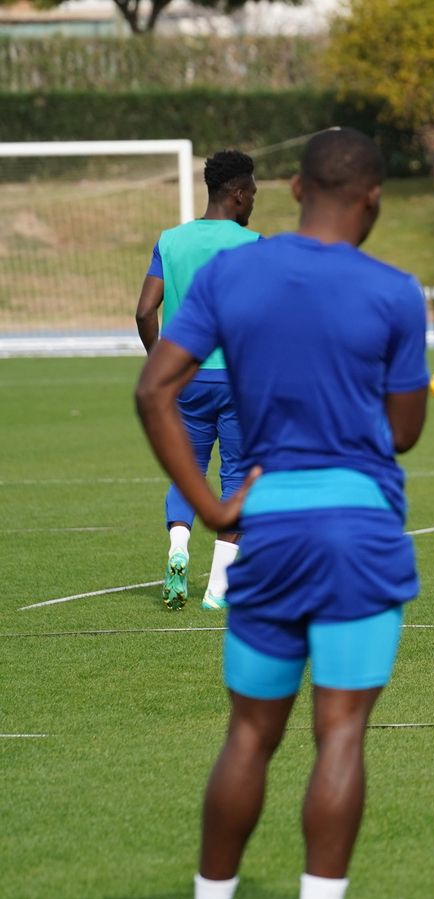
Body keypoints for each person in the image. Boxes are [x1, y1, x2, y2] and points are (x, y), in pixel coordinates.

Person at [134, 128, 430, 899]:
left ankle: (212, 894)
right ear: (374, 200)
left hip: (268, 525)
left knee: (249, 734)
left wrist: (208, 507)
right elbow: (403, 432)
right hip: (360, 528)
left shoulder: (230, 274)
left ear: (296, 190)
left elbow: (153, 388)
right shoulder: (395, 291)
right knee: (341, 736)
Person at [134, 149, 260, 611]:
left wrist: (161, 362)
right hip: (238, 379)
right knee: (237, 475)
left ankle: (178, 549)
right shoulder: (255, 246)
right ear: (238, 193)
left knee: (187, 468)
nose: (254, 202)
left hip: (186, 377)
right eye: (253, 193)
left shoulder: (170, 241)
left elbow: (144, 311)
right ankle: (219, 589)